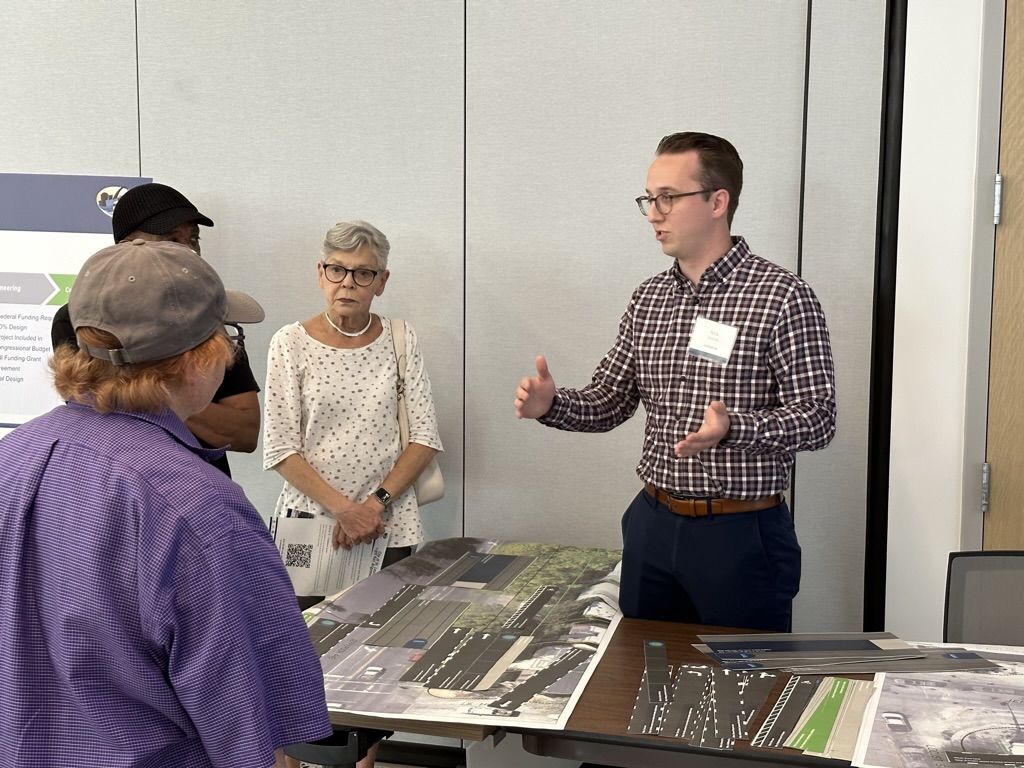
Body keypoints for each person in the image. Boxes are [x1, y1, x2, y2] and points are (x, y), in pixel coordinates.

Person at [0, 239, 332, 766]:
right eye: (227, 335)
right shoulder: (196, 508)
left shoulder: (11, 458)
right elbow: (248, 729)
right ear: (199, 358)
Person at [515, 132, 836, 632]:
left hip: (740, 533)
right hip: (653, 525)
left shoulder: (782, 296)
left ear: (717, 201)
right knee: (647, 677)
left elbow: (818, 420)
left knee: (745, 688)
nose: (653, 213)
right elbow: (610, 401)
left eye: (668, 197)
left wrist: (734, 428)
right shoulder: (649, 299)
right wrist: (552, 405)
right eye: (649, 199)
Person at [262, 220, 442, 768]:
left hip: (389, 526)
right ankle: (287, 761)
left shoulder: (401, 338)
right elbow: (279, 447)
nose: (348, 282)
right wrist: (343, 507)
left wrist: (373, 505)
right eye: (337, 269)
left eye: (362, 273)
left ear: (381, 281)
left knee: (385, 656)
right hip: (309, 529)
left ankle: (364, 761)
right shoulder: (288, 343)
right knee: (298, 656)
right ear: (321, 273)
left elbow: (424, 436)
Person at [50, 182, 261, 477]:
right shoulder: (77, 319)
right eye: (171, 240)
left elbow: (245, 433)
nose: (189, 251)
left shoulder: (211, 313)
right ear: (126, 248)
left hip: (197, 476)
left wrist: (139, 393)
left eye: (194, 239)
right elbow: (96, 417)